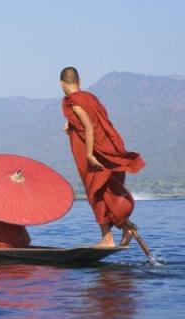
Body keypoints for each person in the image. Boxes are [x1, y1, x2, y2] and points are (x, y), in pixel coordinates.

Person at [60, 66, 145, 247]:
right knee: (106, 191)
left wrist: (89, 155)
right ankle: (125, 228)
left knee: (95, 193)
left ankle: (107, 238)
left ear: (61, 84)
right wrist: (71, 129)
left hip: (92, 155)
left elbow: (89, 127)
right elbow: (91, 125)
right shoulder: (91, 98)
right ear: (79, 81)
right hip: (104, 151)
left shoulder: (73, 101)